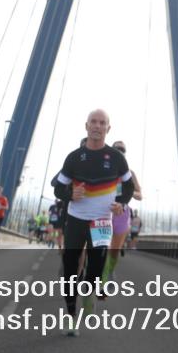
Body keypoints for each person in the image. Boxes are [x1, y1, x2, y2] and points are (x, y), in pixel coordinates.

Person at [52, 109, 136, 336]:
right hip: (77, 220)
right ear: (86, 126)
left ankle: (88, 294)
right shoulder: (73, 158)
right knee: (70, 268)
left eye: (102, 123)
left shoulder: (117, 158)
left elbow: (128, 187)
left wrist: (120, 202)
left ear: (108, 128)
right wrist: (71, 193)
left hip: (102, 222)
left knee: (96, 268)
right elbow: (58, 187)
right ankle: (70, 316)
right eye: (93, 122)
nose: (97, 126)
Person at [100, 140, 142, 294]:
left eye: (122, 149)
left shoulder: (130, 173)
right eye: (117, 148)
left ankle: (110, 271)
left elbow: (139, 195)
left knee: (114, 250)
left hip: (122, 215)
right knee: (102, 247)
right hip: (103, 213)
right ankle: (101, 279)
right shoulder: (103, 169)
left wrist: (127, 194)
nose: (120, 151)